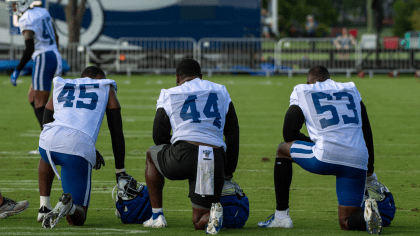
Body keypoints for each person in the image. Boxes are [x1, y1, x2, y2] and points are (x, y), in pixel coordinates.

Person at [258, 66, 383, 235]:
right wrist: (369, 169)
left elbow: (289, 132)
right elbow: (366, 130)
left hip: (325, 156)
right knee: (346, 221)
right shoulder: (350, 89)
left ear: (309, 81)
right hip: (358, 158)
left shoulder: (303, 90)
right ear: (329, 78)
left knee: (282, 149)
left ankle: (281, 217)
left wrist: (312, 142)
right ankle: (367, 216)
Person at [144, 59, 239, 234]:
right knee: (198, 220)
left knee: (151, 153)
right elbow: (233, 133)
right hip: (212, 157)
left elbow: (158, 136)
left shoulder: (169, 93)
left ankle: (157, 216)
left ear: (177, 78)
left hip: (183, 155)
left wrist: (177, 144)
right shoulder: (221, 90)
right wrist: (228, 171)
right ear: (201, 76)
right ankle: (210, 217)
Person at [37, 66, 132, 228]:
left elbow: (47, 120)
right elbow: (116, 132)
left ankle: (44, 206)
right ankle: (70, 206)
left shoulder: (61, 83)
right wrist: (119, 170)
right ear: (99, 78)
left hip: (48, 142)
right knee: (78, 219)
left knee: (49, 146)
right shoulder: (105, 86)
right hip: (77, 147)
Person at [6, 0, 62, 154]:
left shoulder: (26, 19)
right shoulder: (42, 12)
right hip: (53, 55)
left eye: (15, 4)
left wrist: (17, 70)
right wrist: (55, 55)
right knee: (33, 98)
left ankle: (49, 145)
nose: (13, 7)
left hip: (44, 57)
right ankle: (50, 141)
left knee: (39, 103)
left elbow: (29, 48)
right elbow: (56, 36)